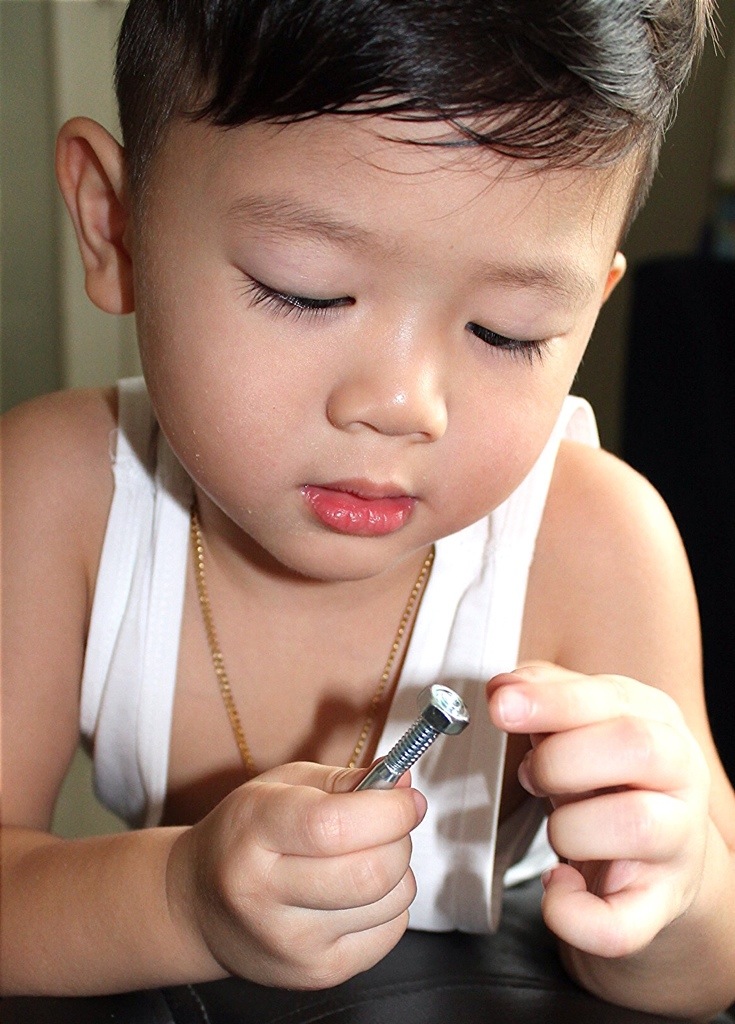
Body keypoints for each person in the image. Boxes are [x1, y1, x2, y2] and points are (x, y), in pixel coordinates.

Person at [2, 0, 734, 1016]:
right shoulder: (56, 497)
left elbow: (705, 974)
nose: (401, 405)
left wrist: (669, 896)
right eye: (305, 291)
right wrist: (182, 898)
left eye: (507, 330)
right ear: (114, 226)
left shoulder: (598, 544)